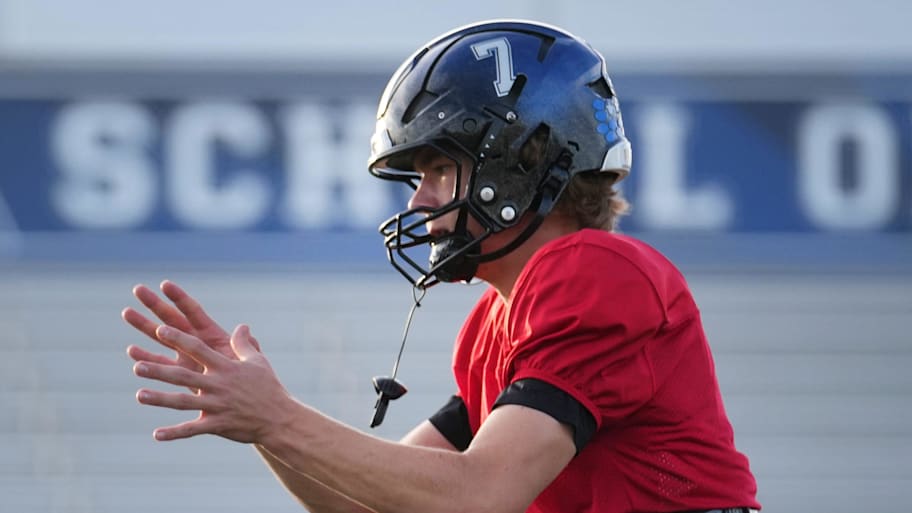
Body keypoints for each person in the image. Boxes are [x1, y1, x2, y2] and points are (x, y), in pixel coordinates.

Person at [124, 19, 760, 513]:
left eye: (437, 169)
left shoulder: (593, 270)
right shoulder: (494, 323)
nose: (419, 200)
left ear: (522, 160)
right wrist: (262, 422)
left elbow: (479, 493)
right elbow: (371, 504)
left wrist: (278, 417)